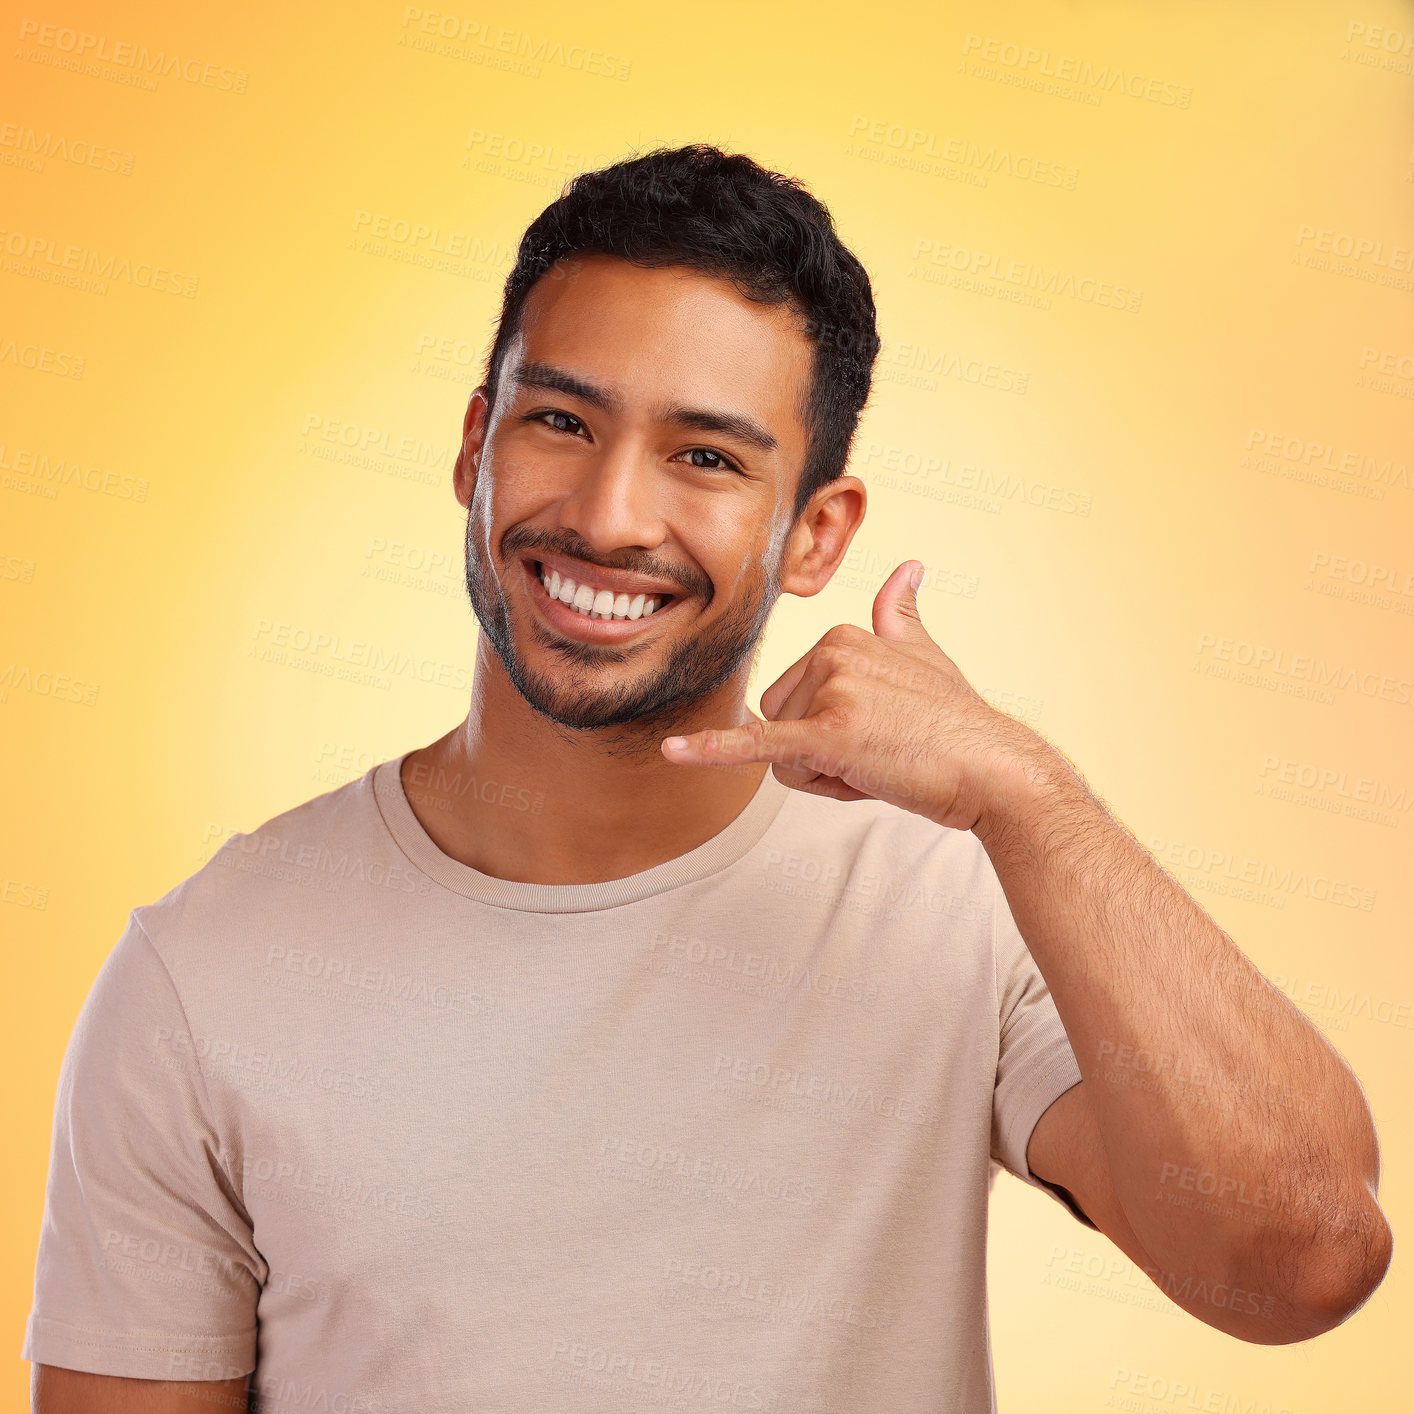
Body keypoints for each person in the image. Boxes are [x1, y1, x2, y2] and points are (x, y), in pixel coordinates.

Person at [24, 143, 1391, 1414]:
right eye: (559, 420)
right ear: (471, 445)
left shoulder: (964, 905)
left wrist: (1033, 796)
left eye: (704, 456)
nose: (610, 516)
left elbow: (1301, 1263)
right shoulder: (205, 972)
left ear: (817, 534)